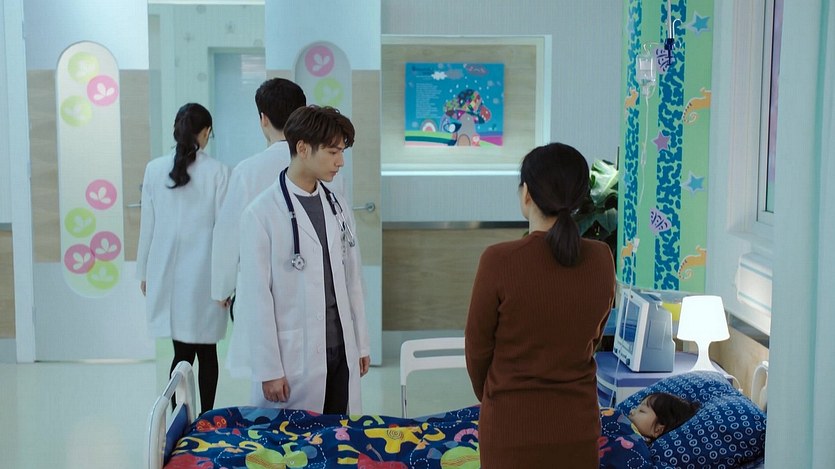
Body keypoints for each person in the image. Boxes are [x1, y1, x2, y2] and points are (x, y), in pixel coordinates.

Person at [465, 142, 616, 468]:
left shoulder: (499, 260)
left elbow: (477, 350)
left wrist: (496, 397)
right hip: (577, 428)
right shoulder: (602, 259)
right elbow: (592, 337)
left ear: (527, 194)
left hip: (511, 430)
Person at [234, 105, 370, 414]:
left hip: (341, 351)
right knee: (294, 440)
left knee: (339, 436)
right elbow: (256, 299)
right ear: (303, 149)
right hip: (293, 359)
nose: (340, 161)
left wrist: (361, 344)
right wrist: (269, 369)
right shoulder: (261, 214)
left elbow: (353, 280)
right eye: (333, 152)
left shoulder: (338, 206)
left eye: (342, 152)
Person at [136, 102, 230, 415]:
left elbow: (147, 227)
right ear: (205, 132)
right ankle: (206, 418)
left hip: (169, 276)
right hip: (206, 278)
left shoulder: (154, 169)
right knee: (208, 352)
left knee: (182, 354)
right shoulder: (219, 172)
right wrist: (226, 282)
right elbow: (224, 231)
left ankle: (180, 419)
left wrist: (144, 272)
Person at [211, 78, 307, 321]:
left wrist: (222, 287)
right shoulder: (324, 169)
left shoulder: (247, 171)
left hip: (259, 289)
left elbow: (228, 232)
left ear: (263, 118)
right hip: (310, 290)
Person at [628, 392, 701, 444]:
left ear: (658, 430)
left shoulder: (638, 444)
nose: (631, 411)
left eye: (641, 411)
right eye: (636, 408)